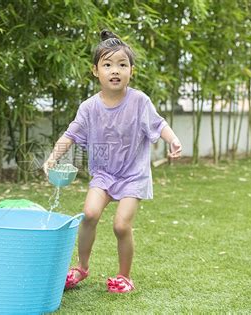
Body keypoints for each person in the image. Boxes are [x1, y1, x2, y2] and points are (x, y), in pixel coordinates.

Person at [43, 30, 182, 293]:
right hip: (104, 173)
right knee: (90, 214)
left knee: (121, 225)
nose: (115, 70)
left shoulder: (140, 101)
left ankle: (124, 276)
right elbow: (70, 134)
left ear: (132, 70)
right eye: (108, 65)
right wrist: (51, 158)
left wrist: (173, 140)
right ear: (95, 71)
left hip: (133, 175)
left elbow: (159, 123)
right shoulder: (88, 107)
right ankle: (82, 267)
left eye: (122, 64)